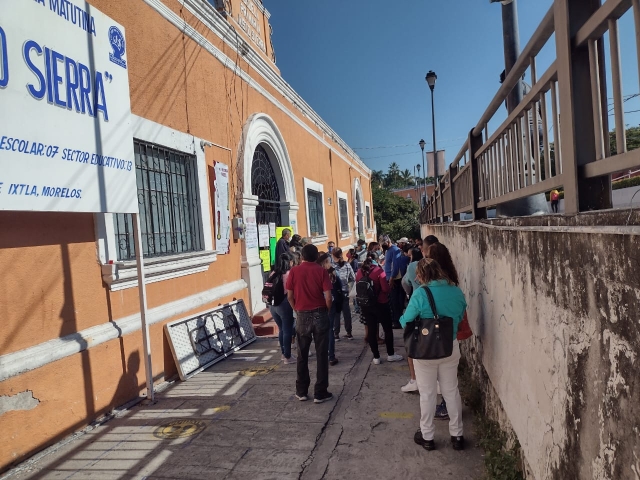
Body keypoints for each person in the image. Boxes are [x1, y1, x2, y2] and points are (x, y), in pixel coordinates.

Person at [400, 258, 467, 451]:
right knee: (451, 391)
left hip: (425, 350)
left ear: (421, 275)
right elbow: (461, 313)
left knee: (428, 394)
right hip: (450, 347)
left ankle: (427, 436)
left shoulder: (421, 293)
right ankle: (457, 435)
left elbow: (406, 321)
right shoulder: (455, 290)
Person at [286, 244, 334, 403]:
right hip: (320, 313)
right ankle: (320, 392)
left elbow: (290, 296)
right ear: (316, 257)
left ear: (302, 257)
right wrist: (326, 311)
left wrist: (297, 310)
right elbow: (328, 297)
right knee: (321, 354)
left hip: (302, 315)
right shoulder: (322, 271)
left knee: (302, 354)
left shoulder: (294, 271)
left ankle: (301, 391)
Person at [356, 254, 404, 365]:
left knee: (372, 331)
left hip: (366, 306)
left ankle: (376, 357)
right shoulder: (379, 271)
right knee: (387, 329)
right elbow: (386, 289)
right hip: (381, 304)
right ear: (375, 262)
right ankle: (391, 354)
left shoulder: (359, 272)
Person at [267, 253, 296, 364]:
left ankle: (284, 354)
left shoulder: (273, 273)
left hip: (273, 305)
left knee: (281, 329)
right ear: (290, 262)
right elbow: (291, 292)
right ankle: (288, 357)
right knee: (288, 330)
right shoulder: (290, 274)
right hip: (285, 304)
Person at [317, 252, 342, 366]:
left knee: (319, 331)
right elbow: (340, 285)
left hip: (318, 304)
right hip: (330, 303)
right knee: (329, 330)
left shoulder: (316, 272)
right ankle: (331, 357)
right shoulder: (332, 272)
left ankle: (322, 356)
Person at [331, 248, 356, 340]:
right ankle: (349, 333)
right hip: (345, 291)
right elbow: (353, 277)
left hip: (334, 292)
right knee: (346, 313)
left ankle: (336, 334)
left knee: (336, 314)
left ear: (333, 255)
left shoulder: (331, 266)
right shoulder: (347, 265)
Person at [382, 236, 405, 329]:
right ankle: (395, 319)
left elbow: (396, 265)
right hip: (389, 277)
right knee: (393, 300)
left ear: (388, 242)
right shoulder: (388, 250)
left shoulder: (395, 250)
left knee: (395, 301)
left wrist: (392, 277)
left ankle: (397, 321)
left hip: (394, 279)